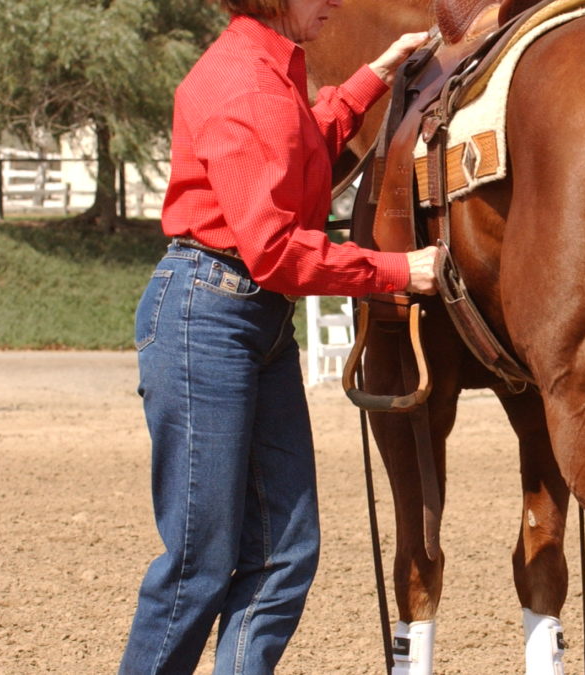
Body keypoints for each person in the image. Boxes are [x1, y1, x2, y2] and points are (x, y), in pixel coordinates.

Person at [119, 0, 435, 672]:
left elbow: (296, 151)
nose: (335, 4)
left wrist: (372, 77)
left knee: (284, 553)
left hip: (245, 318)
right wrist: (397, 270)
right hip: (212, 317)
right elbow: (278, 252)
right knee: (198, 564)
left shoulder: (267, 72)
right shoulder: (251, 88)